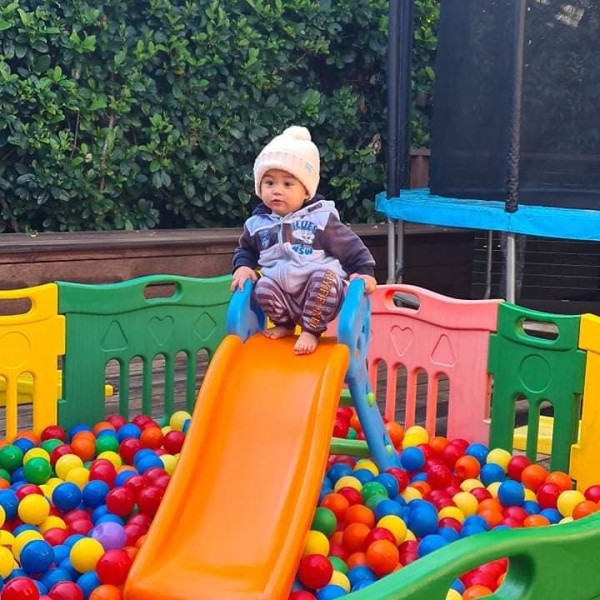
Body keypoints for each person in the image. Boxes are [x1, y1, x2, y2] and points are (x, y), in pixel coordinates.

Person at [231, 125, 377, 355]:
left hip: (317, 292)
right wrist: (243, 267)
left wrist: (364, 271)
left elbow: (350, 246)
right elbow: (246, 250)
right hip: (282, 294)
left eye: (287, 184)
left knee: (325, 279)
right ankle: (285, 325)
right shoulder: (257, 224)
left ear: (306, 191)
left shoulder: (320, 219)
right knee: (262, 287)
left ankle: (311, 330)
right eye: (269, 183)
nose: (277, 191)